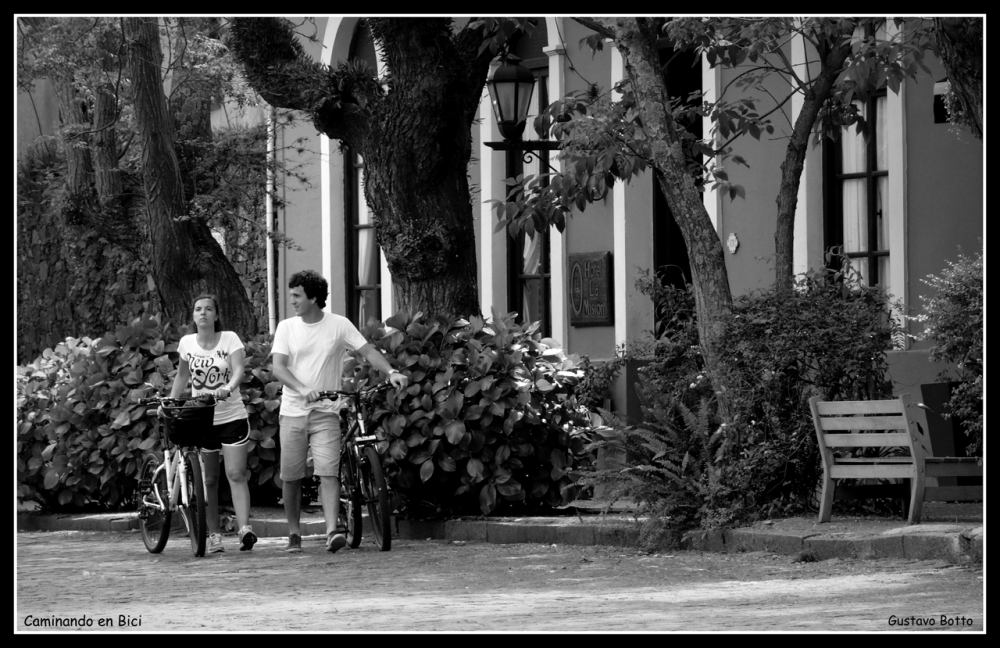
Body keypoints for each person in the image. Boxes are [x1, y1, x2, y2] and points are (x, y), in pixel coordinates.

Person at [271, 269, 408, 553]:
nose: (292, 300)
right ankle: (294, 534)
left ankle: (332, 530)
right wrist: (301, 388)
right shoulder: (287, 327)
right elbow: (279, 368)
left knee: (328, 473)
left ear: (314, 297)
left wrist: (391, 371)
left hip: (326, 411)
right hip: (294, 411)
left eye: (297, 295)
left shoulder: (338, 325)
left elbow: (367, 350)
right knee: (291, 476)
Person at [170, 293, 257, 554]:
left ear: (216, 315)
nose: (203, 313)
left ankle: (244, 530)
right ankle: (214, 535)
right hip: (203, 418)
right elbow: (182, 376)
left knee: (235, 474)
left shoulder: (230, 339)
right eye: (198, 309)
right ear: (194, 315)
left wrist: (228, 387)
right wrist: (172, 404)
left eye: (209, 309)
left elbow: (239, 370)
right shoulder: (187, 343)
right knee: (208, 479)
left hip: (231, 417)